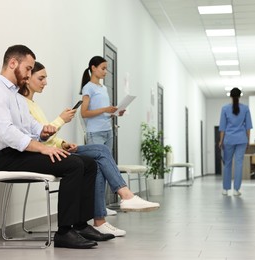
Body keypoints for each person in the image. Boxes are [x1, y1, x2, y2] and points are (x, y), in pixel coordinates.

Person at [0, 45, 115, 249]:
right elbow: (6, 133)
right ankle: (65, 232)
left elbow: (30, 126)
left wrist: (43, 131)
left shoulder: (15, 95)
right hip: (9, 157)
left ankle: (80, 225)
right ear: (13, 63)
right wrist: (42, 148)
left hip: (22, 152)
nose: (29, 74)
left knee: (89, 164)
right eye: (29, 69)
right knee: (74, 165)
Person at [20, 61, 160, 237]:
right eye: (41, 78)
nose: (45, 82)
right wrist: (61, 120)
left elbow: (45, 135)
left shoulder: (34, 104)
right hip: (42, 154)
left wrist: (63, 143)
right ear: (27, 79)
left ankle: (103, 217)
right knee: (100, 153)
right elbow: (38, 137)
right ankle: (124, 197)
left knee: (99, 158)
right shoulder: (22, 104)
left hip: (57, 148)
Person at [79, 56, 125, 152]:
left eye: (106, 69)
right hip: (95, 133)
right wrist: (105, 109)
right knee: (97, 163)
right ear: (93, 68)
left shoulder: (103, 88)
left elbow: (104, 112)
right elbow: (84, 113)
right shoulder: (88, 88)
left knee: (106, 162)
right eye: (103, 68)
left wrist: (115, 113)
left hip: (108, 131)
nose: (105, 72)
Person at [218, 87, 253, 196]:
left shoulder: (224, 109)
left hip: (229, 139)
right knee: (239, 164)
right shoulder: (246, 109)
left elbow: (222, 128)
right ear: (240, 96)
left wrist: (220, 141)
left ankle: (225, 189)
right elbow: (248, 127)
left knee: (227, 164)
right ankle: (236, 190)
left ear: (231, 96)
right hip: (242, 139)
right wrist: (248, 141)